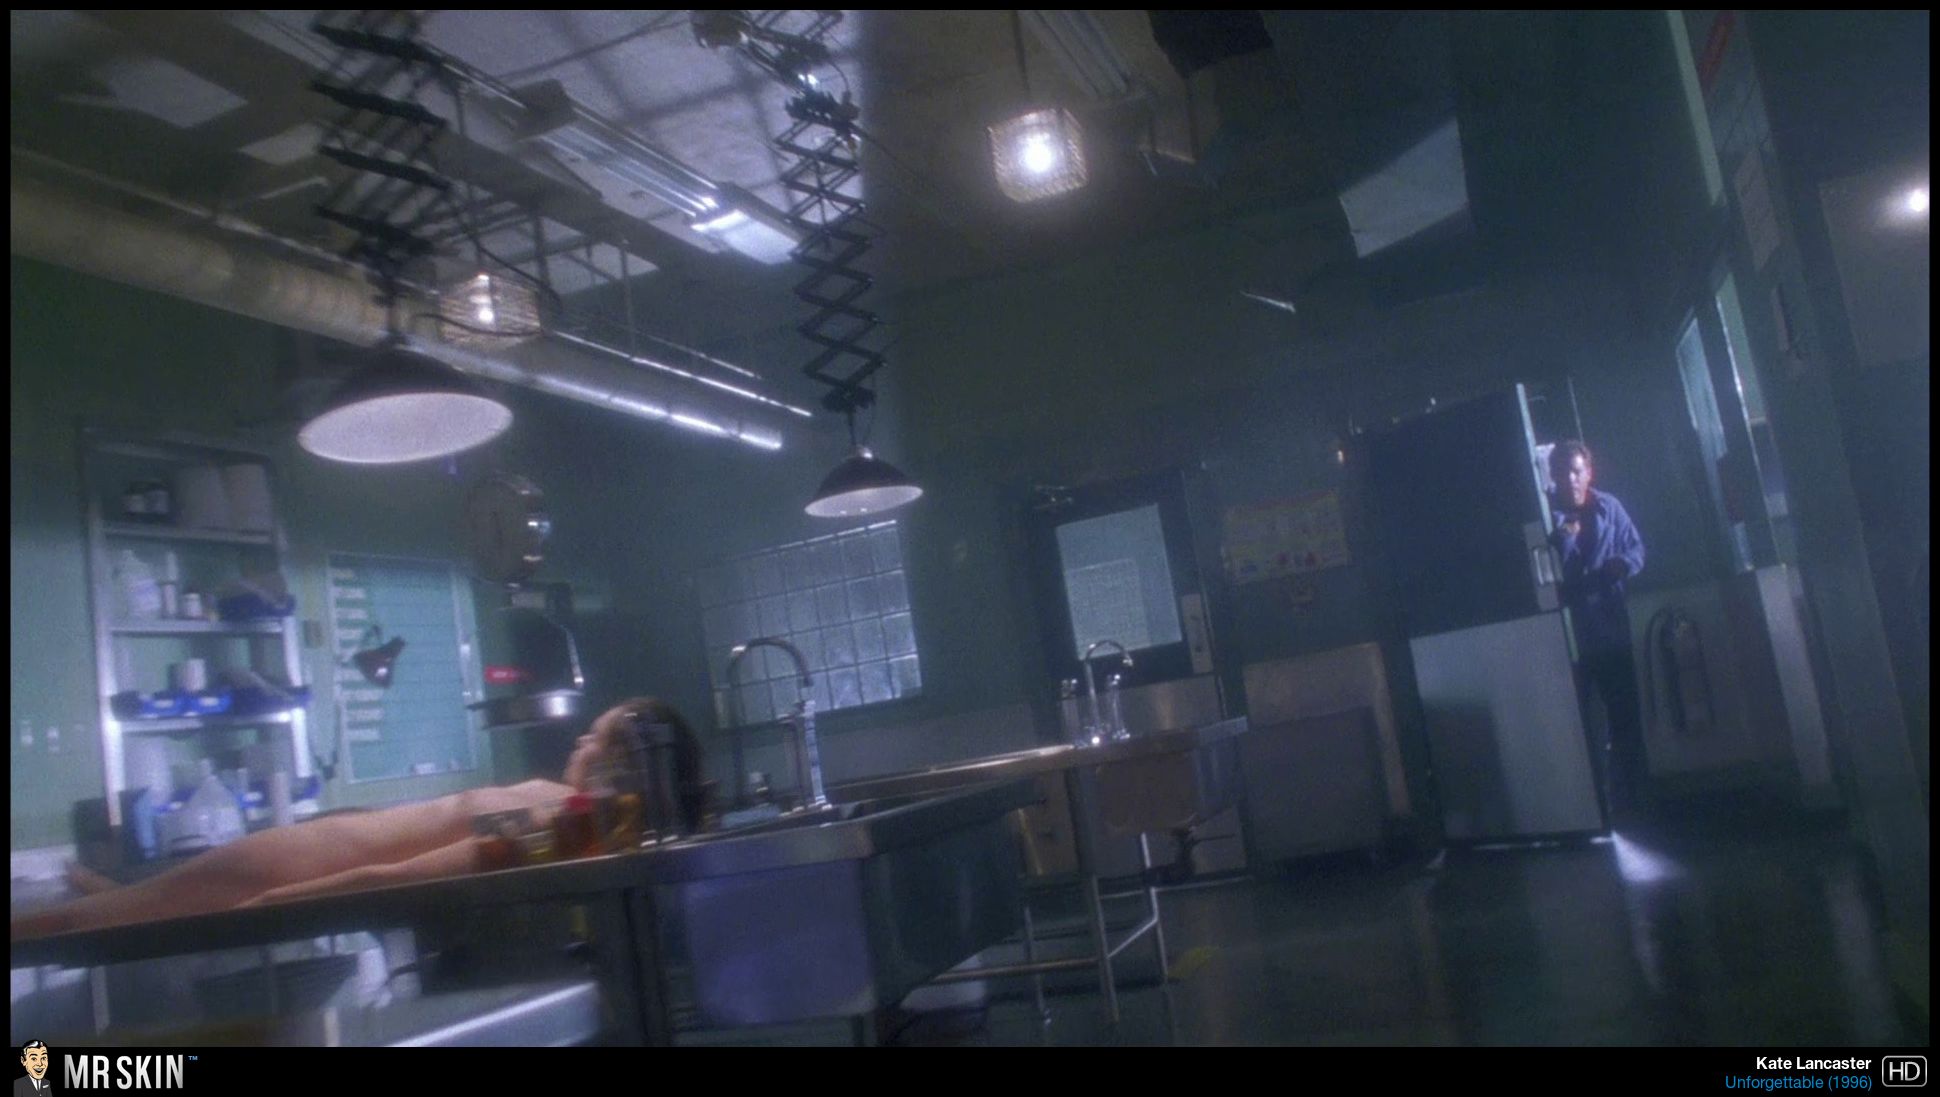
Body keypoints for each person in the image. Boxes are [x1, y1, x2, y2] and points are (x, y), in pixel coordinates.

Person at [10, 698, 703, 941]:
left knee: (82, 924)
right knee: (117, 909)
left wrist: (267, 905)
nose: (580, 742)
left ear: (627, 762)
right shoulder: (566, 810)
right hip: (300, 853)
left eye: (596, 738)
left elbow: (402, 876)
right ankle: (118, 895)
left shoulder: (574, 825)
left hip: (292, 870)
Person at [1549, 440, 1648, 827]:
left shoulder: (1610, 507)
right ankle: (1596, 808)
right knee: (1585, 729)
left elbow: (1637, 549)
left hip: (1611, 631)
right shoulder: (1548, 519)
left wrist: (1622, 564)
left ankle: (1636, 801)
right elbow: (1548, 577)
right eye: (1563, 472)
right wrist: (1565, 536)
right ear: (1553, 477)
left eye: (1577, 471)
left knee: (1626, 720)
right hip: (1573, 641)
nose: (1571, 479)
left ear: (1588, 472)